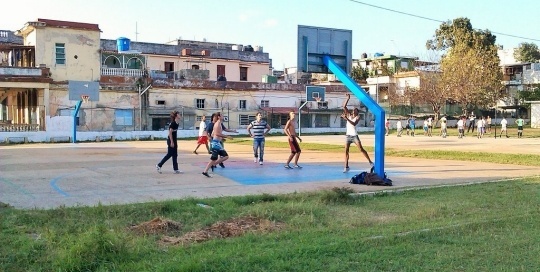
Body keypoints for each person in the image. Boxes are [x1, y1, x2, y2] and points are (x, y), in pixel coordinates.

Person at [340, 94, 374, 173]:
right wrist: (347, 98)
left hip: (354, 136)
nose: (354, 110)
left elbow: (354, 124)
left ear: (357, 112)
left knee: (361, 149)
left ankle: (370, 162)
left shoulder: (357, 117)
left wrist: (346, 119)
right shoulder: (348, 115)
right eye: (353, 109)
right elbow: (344, 106)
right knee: (346, 150)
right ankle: (346, 166)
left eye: (355, 110)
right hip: (348, 136)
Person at [202, 112, 233, 177]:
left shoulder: (219, 124)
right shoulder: (217, 124)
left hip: (217, 143)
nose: (223, 116)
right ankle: (205, 171)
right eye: (222, 115)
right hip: (215, 143)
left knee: (225, 156)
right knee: (214, 158)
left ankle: (212, 166)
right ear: (219, 117)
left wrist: (221, 137)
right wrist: (227, 136)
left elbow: (214, 133)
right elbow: (217, 134)